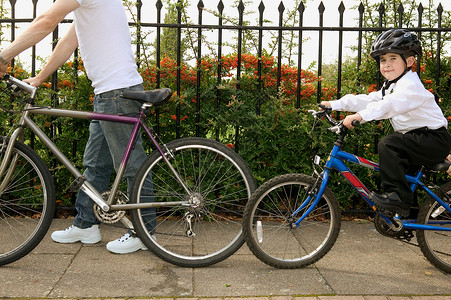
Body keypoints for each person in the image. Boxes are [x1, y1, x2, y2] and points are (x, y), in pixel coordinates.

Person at [0, 0, 154, 254]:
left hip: (117, 94)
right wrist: (39, 78)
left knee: (132, 166)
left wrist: (4, 56)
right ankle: (85, 224)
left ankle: (144, 232)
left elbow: (46, 21)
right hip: (107, 94)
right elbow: (69, 42)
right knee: (95, 164)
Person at [321, 29, 451, 217]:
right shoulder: (392, 86)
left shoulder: (410, 86)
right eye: (383, 60)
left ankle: (398, 199)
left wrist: (359, 117)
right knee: (400, 169)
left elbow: (388, 106)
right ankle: (402, 218)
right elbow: (368, 100)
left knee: (389, 144)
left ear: (410, 62)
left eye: (393, 58)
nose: (387, 64)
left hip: (432, 139)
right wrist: (334, 104)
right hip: (416, 140)